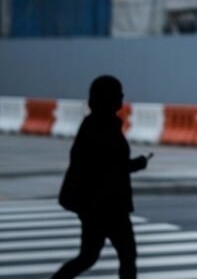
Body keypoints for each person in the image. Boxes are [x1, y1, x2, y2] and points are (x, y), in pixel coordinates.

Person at [53, 76, 151, 279]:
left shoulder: (94, 124)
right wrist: (137, 164)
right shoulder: (102, 127)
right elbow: (110, 166)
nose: (122, 96)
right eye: (118, 93)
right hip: (108, 205)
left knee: (89, 256)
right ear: (108, 98)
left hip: (96, 206)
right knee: (126, 254)